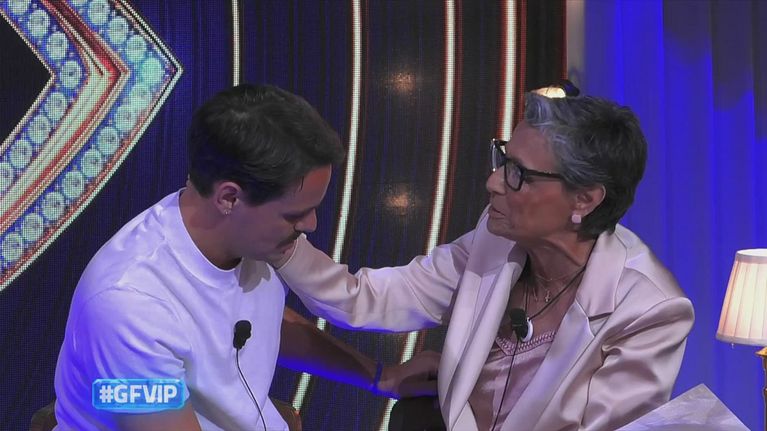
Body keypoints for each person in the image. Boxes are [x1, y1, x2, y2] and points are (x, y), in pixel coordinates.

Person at [271, 90, 695, 430]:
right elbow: (368, 299)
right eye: (502, 159)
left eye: (518, 174)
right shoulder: (495, 239)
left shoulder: (649, 311)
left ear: (584, 199)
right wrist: (277, 234)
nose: (493, 182)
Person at [53, 84, 438, 431]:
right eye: (295, 214)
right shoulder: (128, 307)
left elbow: (261, 321)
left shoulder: (251, 239)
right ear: (229, 198)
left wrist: (380, 376)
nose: (311, 225)